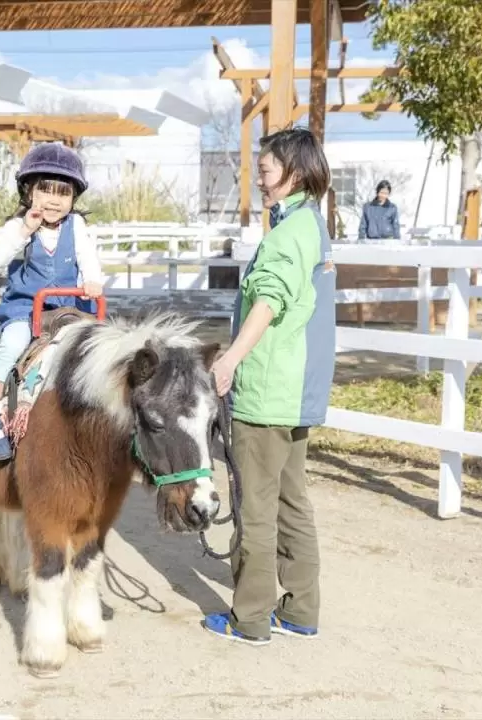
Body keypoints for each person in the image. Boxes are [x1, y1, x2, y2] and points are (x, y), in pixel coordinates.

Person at [204, 126, 337, 645]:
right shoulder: (312, 226)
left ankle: (251, 617)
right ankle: (301, 608)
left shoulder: (287, 235)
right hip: (298, 389)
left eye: (265, 170)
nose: (258, 179)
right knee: (291, 500)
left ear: (294, 172)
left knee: (255, 505)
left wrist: (231, 358)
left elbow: (271, 299)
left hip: (267, 390)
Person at [0, 143, 104, 462]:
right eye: (45, 190)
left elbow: (88, 256)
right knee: (13, 342)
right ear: (29, 191)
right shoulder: (18, 227)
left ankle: (93, 412)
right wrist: (24, 230)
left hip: (66, 307)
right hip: (27, 306)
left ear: (73, 198)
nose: (53, 200)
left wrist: (92, 279)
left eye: (63, 193)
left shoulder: (76, 227)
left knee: (96, 348)